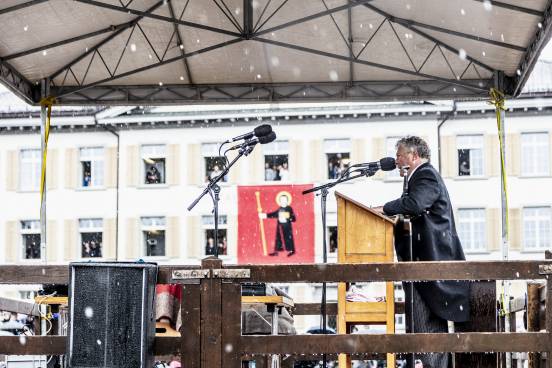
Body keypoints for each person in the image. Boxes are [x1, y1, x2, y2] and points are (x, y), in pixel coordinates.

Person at [376, 136, 470, 368]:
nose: (396, 160)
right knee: (426, 324)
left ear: (413, 155)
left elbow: (416, 204)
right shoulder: (418, 176)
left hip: (430, 261)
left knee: (426, 325)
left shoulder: (425, 174)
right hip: (424, 261)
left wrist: (385, 209)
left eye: (399, 155)